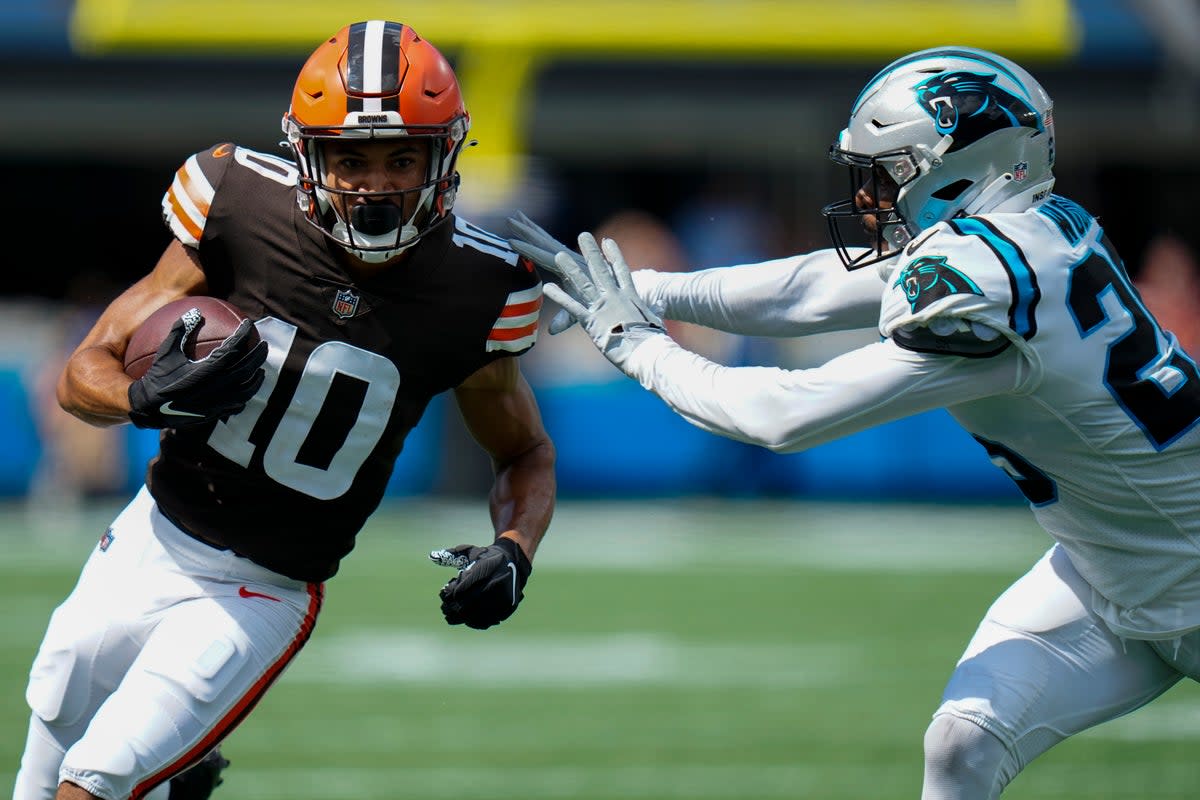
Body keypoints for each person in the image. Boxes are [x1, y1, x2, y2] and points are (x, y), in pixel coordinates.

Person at [508, 46, 1200, 799]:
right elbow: (808, 289)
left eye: (891, 170)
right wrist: (641, 288)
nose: (871, 197)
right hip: (1108, 563)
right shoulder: (1031, 229)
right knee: (962, 744)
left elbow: (779, 416)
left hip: (1186, 571)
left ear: (969, 162)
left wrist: (631, 342)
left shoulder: (984, 284)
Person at [16, 19, 555, 800]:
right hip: (148, 537)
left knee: (94, 784)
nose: (375, 185)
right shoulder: (237, 205)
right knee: (44, 752)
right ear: (308, 154)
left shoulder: (479, 288)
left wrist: (516, 547)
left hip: (263, 588)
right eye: (352, 158)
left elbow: (523, 450)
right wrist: (142, 398)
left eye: (402, 157)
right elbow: (81, 373)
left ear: (446, 156)